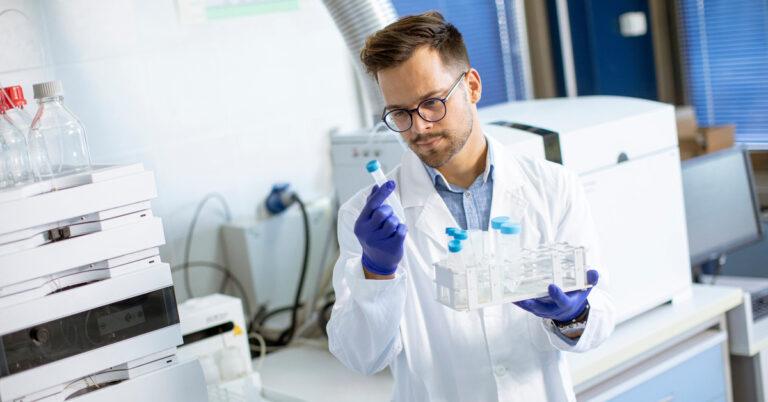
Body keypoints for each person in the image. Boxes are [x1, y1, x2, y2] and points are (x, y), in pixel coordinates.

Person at [327, 11, 615, 402]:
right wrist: (376, 274)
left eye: (431, 103)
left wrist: (572, 316)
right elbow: (361, 357)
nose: (419, 127)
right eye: (399, 113)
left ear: (473, 86)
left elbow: (598, 319)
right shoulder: (365, 218)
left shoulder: (552, 187)